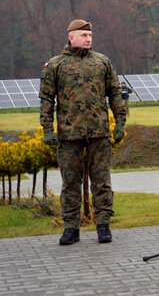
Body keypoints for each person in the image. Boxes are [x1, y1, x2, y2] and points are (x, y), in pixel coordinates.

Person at [39, 19, 126, 245]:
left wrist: (120, 122)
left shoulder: (102, 62)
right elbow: (46, 98)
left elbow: (115, 93)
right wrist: (47, 128)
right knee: (70, 182)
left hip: (99, 133)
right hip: (69, 135)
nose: (88, 39)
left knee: (102, 181)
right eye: (83, 35)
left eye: (90, 35)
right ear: (71, 37)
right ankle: (71, 227)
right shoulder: (56, 65)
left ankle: (103, 225)